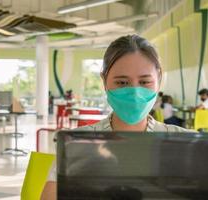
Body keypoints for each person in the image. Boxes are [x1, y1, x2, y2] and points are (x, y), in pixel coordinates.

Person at [40, 35, 191, 200]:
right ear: (105, 81)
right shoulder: (79, 143)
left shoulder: (184, 143)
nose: (134, 92)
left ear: (159, 80)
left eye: (144, 82)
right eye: (122, 83)